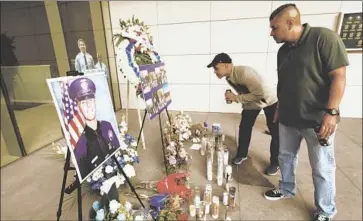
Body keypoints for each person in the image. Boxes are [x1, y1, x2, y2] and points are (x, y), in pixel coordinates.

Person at [264, 4, 349, 221]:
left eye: (275, 28)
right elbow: (283, 84)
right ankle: (286, 188)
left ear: (290, 23)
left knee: (322, 167)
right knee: (285, 157)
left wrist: (331, 112)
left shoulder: (324, 38)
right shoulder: (283, 51)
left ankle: (326, 210)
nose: (271, 32)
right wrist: (279, 109)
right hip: (288, 118)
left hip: (317, 120)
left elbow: (338, 76)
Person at [207, 53, 280, 176]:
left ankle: (276, 163)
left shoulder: (244, 73)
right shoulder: (229, 77)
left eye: (216, 68)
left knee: (275, 132)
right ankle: (242, 154)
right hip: (252, 103)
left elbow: (259, 94)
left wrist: (236, 97)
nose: (215, 72)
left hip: (269, 101)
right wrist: (236, 98)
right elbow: (247, 93)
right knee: (244, 127)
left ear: (226, 65)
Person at [69, 77, 120, 178]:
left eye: (91, 101)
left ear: (95, 102)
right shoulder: (80, 142)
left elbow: (116, 149)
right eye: (83, 103)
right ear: (78, 106)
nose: (89, 106)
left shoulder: (106, 126)